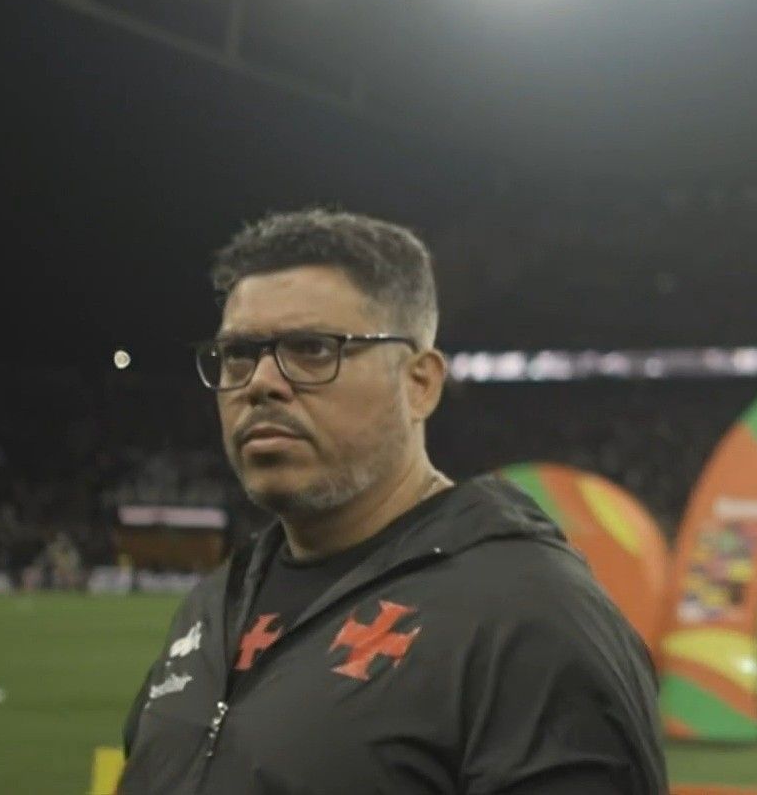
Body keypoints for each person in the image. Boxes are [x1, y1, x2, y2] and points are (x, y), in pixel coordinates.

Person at [119, 209, 667, 795]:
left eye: (311, 349)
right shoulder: (213, 607)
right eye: (238, 355)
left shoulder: (530, 618)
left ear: (420, 383)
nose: (259, 382)